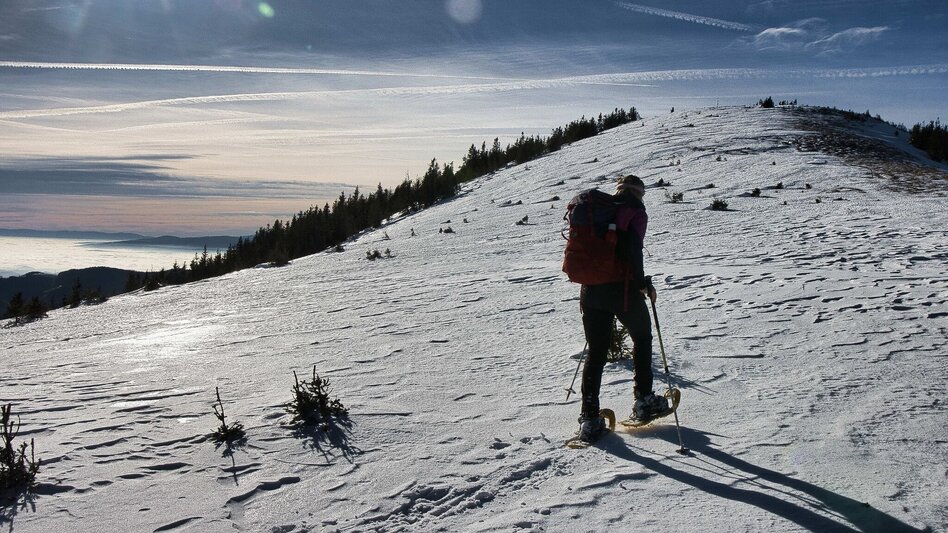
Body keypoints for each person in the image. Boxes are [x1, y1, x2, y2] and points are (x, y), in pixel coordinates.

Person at [578, 174, 668, 442]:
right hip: (622, 290)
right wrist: (643, 284)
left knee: (596, 353)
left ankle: (590, 418)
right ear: (639, 193)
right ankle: (644, 400)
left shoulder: (599, 212)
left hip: (591, 290)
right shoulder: (635, 211)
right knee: (642, 337)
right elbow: (633, 250)